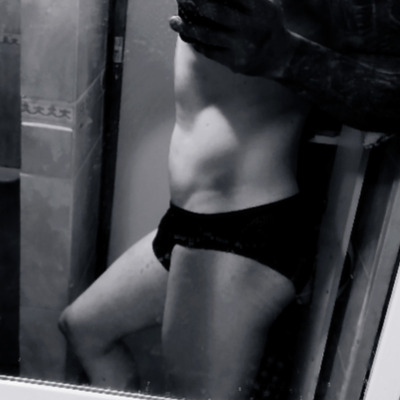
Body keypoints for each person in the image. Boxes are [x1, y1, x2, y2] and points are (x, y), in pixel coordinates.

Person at [59, 1, 400, 399]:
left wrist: (286, 56)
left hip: (243, 226)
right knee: (84, 327)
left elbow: (390, 95)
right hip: (188, 219)